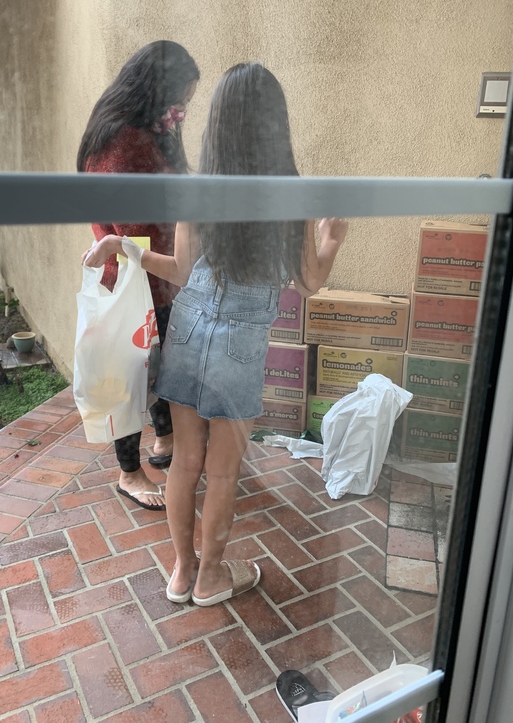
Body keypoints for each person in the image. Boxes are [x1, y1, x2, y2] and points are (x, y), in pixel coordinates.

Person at [85, 62, 348, 603]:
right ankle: (212, 578)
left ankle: (181, 573)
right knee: (223, 473)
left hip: (187, 334)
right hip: (239, 347)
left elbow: (180, 271)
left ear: (217, 125)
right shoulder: (289, 195)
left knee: (184, 460)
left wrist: (123, 247)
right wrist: (332, 237)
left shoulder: (197, 188)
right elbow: (312, 280)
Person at [78, 40, 199, 511]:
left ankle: (164, 441)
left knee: (158, 368)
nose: (183, 110)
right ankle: (129, 472)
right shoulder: (120, 140)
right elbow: (132, 227)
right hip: (133, 279)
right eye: (181, 98)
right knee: (130, 378)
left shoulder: (145, 131)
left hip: (156, 277)